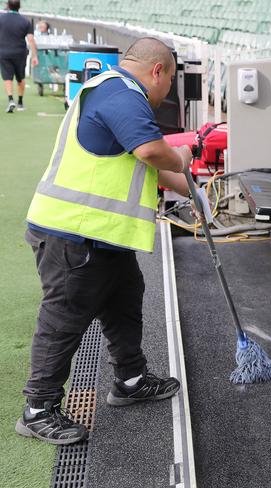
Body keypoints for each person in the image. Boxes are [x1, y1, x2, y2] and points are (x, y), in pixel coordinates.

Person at [16, 37, 194, 445]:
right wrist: (183, 160)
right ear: (158, 71)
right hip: (72, 235)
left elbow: (142, 165)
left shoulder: (111, 91)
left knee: (125, 300)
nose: (166, 92)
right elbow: (152, 152)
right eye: (169, 81)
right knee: (63, 321)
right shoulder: (121, 92)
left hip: (101, 237)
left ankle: (129, 379)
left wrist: (197, 193)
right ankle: (37, 409)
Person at [0, 0, 38, 113]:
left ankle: (11, 99)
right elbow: (31, 39)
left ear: (7, 6)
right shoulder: (25, 21)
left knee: (7, 77)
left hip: (4, 52)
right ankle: (20, 102)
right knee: (20, 77)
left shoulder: (1, 18)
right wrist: (35, 56)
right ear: (19, 7)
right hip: (20, 52)